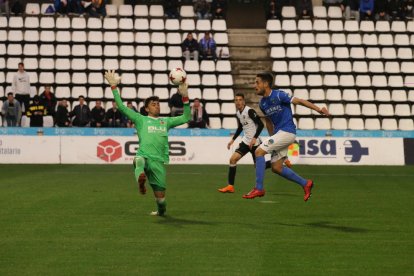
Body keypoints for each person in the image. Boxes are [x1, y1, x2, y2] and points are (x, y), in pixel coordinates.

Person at [104, 70, 191, 216]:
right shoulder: (140, 119)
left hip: (158, 161)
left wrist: (185, 97)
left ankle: (160, 210)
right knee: (138, 160)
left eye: (158, 104)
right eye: (153, 104)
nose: (157, 106)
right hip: (144, 155)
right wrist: (114, 87)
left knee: (162, 201)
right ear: (146, 108)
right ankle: (140, 178)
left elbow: (187, 117)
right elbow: (122, 107)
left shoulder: (166, 121)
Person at [243, 72, 330, 201]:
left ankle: (259, 188)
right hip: (280, 135)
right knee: (276, 167)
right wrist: (273, 140)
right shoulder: (263, 103)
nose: (255, 85)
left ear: (266, 84)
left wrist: (319, 110)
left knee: (258, 152)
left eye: (257, 82)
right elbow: (268, 122)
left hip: (288, 131)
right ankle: (305, 183)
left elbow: (299, 101)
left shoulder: (279, 94)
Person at [218, 93, 292, 193]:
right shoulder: (238, 113)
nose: (238, 102)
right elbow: (241, 127)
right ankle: (230, 186)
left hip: (255, 143)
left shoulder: (249, 111)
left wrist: (254, 138)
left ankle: (279, 161)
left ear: (243, 101)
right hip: (245, 142)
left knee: (258, 167)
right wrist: (233, 140)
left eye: (240, 100)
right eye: (236, 100)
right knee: (232, 160)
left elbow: (261, 124)